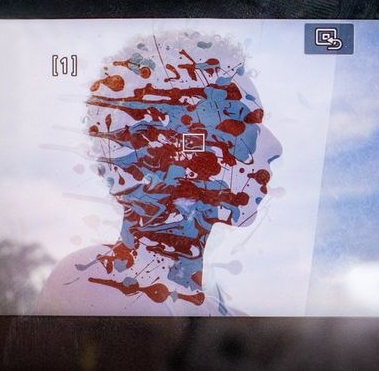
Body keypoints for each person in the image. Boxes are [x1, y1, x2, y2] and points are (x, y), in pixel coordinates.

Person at [35, 31, 282, 316]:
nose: (275, 145)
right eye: (237, 120)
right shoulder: (89, 282)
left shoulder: (219, 308)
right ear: (152, 143)